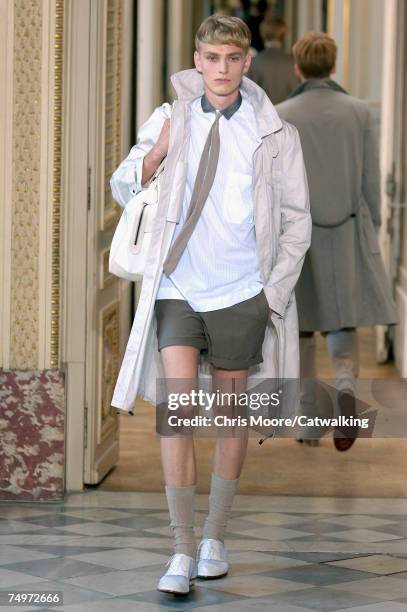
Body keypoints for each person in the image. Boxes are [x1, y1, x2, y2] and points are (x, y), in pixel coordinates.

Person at [110, 14, 311, 596]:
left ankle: (214, 537)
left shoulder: (276, 133)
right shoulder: (168, 118)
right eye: (211, 57)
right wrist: (159, 150)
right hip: (178, 286)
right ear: (197, 61)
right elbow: (125, 185)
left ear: (247, 63)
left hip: (242, 289)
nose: (221, 69)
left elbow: (295, 222)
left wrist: (270, 294)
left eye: (232, 58)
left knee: (229, 414)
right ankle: (179, 546)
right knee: (176, 415)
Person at [276, 32, 398, 451]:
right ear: (333, 65)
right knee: (343, 322)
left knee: (304, 328)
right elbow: (369, 181)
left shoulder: (281, 114)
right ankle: (345, 392)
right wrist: (375, 228)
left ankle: (309, 423)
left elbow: (275, 185)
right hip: (345, 228)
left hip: (298, 235)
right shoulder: (359, 113)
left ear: (297, 67)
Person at [247, 17, 299, 104]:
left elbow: (249, 95)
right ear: (284, 34)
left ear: (262, 34)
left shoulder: (254, 62)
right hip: (287, 115)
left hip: (262, 115)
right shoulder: (293, 62)